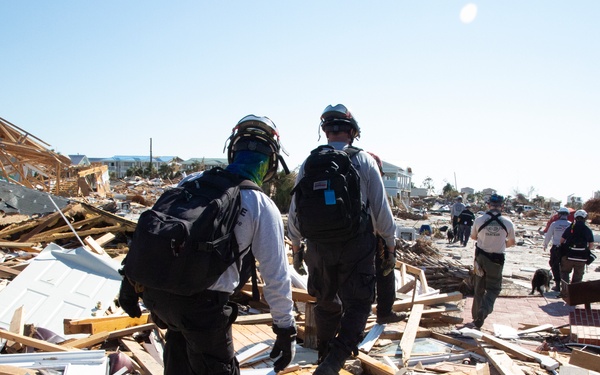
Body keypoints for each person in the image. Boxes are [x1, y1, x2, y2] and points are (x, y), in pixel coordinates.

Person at [119, 115, 297, 375]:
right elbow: (276, 275)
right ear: (271, 162)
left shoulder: (191, 182)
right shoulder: (260, 204)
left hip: (158, 295)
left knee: (179, 358)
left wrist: (129, 281)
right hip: (203, 308)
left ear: (232, 151)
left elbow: (154, 231)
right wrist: (285, 329)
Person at [288, 104, 397, 375]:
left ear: (325, 131)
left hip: (318, 246)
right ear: (353, 132)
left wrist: (297, 245)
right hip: (356, 244)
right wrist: (390, 242)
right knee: (358, 304)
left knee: (325, 301)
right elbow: (380, 209)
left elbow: (295, 209)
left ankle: (324, 354)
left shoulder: (310, 162)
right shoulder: (364, 160)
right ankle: (334, 361)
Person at [366, 151, 407, 325]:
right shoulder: (373, 182)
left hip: (349, 236)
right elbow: (383, 217)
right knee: (385, 273)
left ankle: (361, 310)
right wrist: (391, 247)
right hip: (375, 236)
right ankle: (384, 312)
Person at [470, 194, 516, 329]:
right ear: (502, 206)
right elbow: (512, 242)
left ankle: (475, 316)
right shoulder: (507, 223)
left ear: (488, 205)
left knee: (479, 286)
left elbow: (473, 237)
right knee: (493, 288)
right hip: (496, 259)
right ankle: (483, 311)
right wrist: (500, 244)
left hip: (480, 257)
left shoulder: (479, 220)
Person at [559, 209, 595, 285]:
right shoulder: (587, 230)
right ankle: (574, 294)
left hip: (568, 256)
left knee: (565, 273)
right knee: (578, 277)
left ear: (575, 218)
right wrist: (586, 250)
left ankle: (565, 292)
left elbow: (561, 241)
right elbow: (591, 245)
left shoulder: (570, 228)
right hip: (582, 258)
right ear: (585, 218)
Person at [542, 207, 572, 291]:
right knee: (565, 267)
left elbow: (548, 235)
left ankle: (558, 284)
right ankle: (565, 285)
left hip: (556, 248)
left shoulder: (554, 224)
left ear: (559, 214)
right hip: (567, 249)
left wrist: (545, 245)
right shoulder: (570, 224)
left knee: (554, 264)